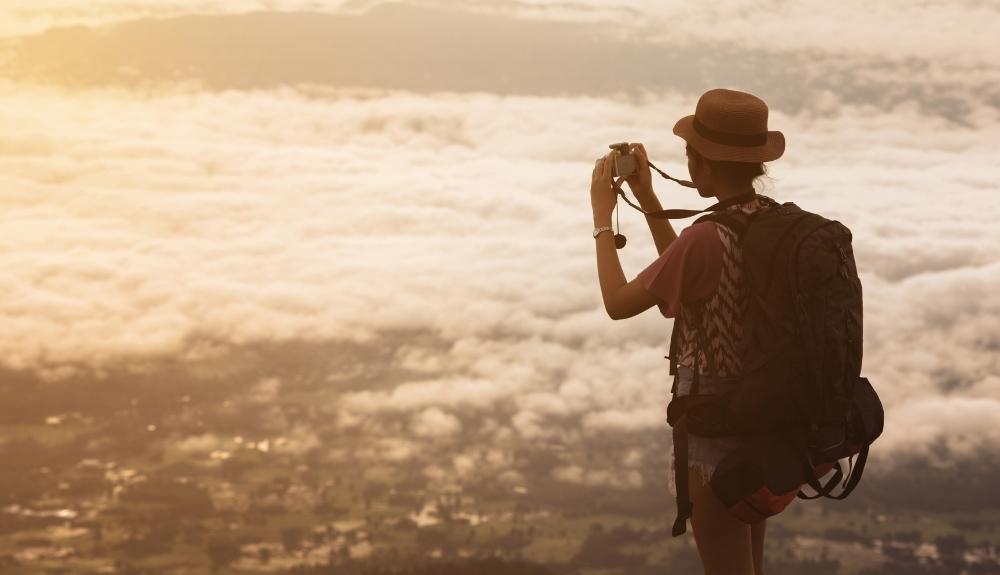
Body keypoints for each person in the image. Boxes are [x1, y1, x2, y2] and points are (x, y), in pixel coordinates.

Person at [589, 88, 785, 575]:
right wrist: (649, 199)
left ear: (701, 163)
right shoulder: (768, 223)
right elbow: (689, 283)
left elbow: (618, 304)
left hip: (717, 431)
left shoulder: (706, 237)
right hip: (767, 424)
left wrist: (600, 220)